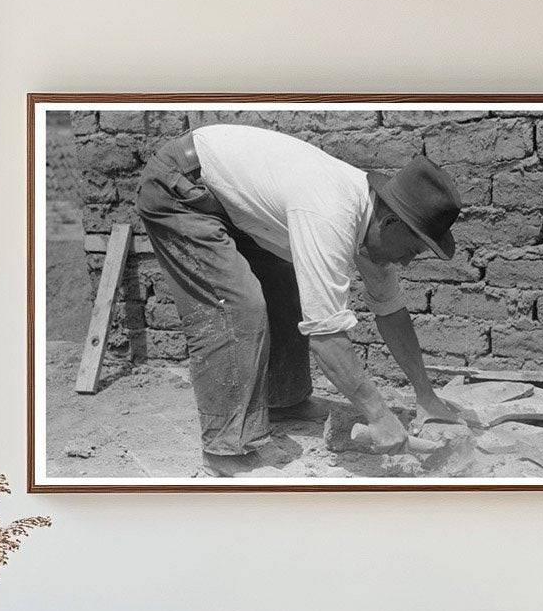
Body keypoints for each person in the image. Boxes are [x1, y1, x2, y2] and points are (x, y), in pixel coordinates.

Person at [135, 123, 464, 477]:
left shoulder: (373, 224)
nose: (406, 262)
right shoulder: (331, 214)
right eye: (413, 250)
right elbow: (326, 340)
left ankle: (283, 401)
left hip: (225, 198)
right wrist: (380, 416)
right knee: (237, 305)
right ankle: (226, 450)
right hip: (179, 188)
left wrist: (426, 396)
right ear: (391, 222)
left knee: (288, 283)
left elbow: (391, 310)